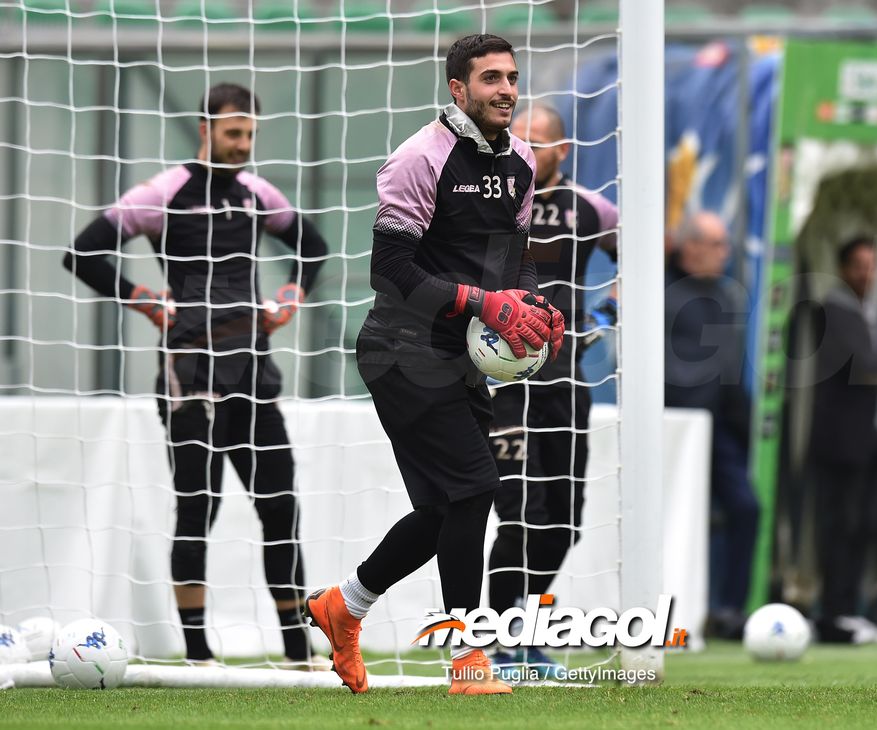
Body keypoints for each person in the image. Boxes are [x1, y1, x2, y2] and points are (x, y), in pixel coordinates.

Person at [302, 34, 562, 696]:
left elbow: (514, 264)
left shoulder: (525, 162)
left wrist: (533, 310)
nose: (506, 89)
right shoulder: (417, 158)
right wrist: (483, 302)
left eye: (511, 77)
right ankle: (467, 659)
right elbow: (388, 271)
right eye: (490, 79)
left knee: (445, 509)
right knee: (476, 489)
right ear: (457, 89)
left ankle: (345, 605)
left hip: (456, 356)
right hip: (401, 348)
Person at [63, 83, 330, 667]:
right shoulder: (164, 191)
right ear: (207, 129)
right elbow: (82, 253)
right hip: (189, 377)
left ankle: (296, 649)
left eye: (251, 135)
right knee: (197, 507)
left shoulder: (257, 192)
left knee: (280, 506)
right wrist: (142, 299)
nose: (243, 145)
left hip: (254, 373)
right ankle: (198, 653)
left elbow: (313, 245)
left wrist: (292, 294)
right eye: (233, 134)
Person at [484, 105, 617, 676]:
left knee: (564, 519)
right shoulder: (489, 199)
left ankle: (528, 633)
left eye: (540, 143)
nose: (529, 151)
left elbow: (642, 255)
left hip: (566, 381)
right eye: (521, 141)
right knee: (518, 513)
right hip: (503, 384)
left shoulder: (588, 207)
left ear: (563, 149)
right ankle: (495, 639)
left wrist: (608, 309)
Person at [664, 211, 758, 638]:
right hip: (672, 429)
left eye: (726, 244)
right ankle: (665, 609)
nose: (725, 253)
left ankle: (728, 611)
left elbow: (731, 369)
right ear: (691, 247)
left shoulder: (728, 296)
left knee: (745, 508)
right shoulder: (660, 291)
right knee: (674, 519)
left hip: (719, 429)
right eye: (717, 244)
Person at [807, 236, 877, 645]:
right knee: (839, 525)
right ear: (844, 268)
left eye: (872, 264)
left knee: (864, 525)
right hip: (839, 436)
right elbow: (866, 364)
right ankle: (833, 612)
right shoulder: (831, 308)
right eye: (859, 264)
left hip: (873, 436)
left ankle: (849, 609)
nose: (867, 273)